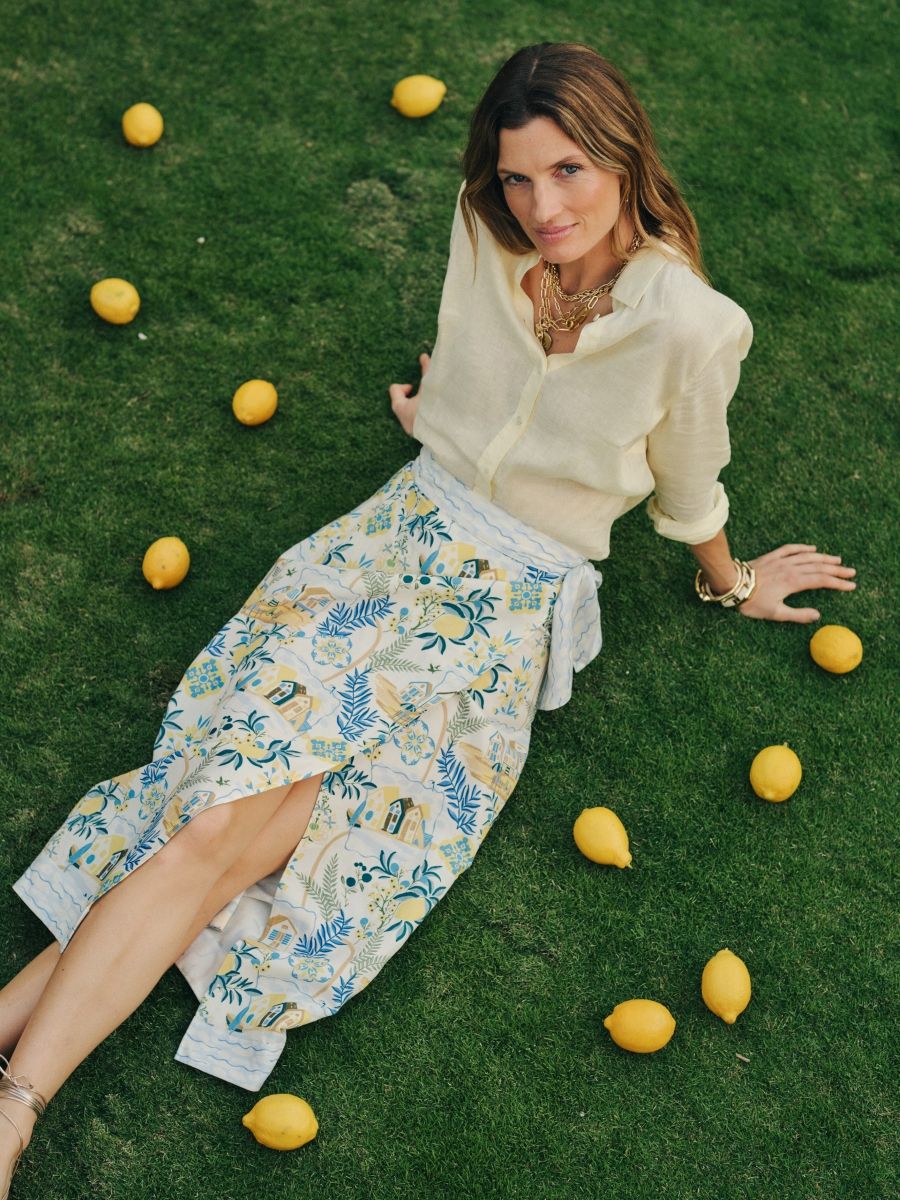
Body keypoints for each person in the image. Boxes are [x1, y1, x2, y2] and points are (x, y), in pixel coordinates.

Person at [0, 41, 857, 1196]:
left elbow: (689, 477)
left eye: (567, 173)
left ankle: (13, 1080)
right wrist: (444, 404)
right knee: (235, 817)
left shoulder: (694, 324)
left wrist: (728, 575)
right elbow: (471, 349)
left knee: (255, 831)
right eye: (516, 178)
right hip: (386, 541)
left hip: (499, 606)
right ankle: (15, 1108)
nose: (540, 208)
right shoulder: (485, 229)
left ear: (621, 157)